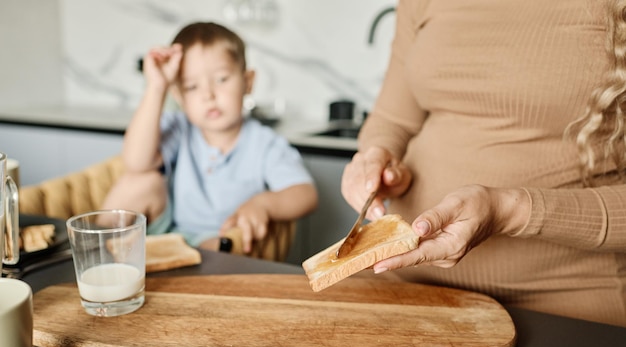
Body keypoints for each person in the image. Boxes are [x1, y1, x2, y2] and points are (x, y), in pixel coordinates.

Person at [341, 0, 626, 327]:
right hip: (406, 281)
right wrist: (376, 156)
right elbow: (393, 120)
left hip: (566, 304)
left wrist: (511, 210)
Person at [102, 22, 318, 253]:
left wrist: (263, 203)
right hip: (163, 230)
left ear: (248, 82)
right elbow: (136, 162)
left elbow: (305, 194)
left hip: (214, 238)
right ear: (180, 96)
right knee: (138, 181)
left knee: (221, 248)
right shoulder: (179, 128)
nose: (208, 95)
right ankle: (100, 250)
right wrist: (157, 87)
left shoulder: (264, 143)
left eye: (222, 79)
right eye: (192, 86)